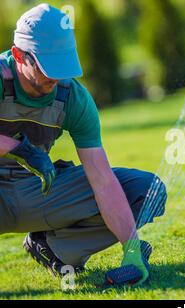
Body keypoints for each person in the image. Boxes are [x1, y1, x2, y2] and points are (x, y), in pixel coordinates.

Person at [0, 4, 167, 286]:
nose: (55, 77)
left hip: (37, 189)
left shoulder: (72, 98)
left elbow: (102, 179)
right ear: (19, 55)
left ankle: (56, 250)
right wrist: (19, 149)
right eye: (46, 66)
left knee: (146, 192)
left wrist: (131, 248)